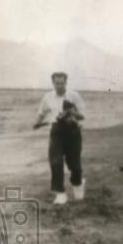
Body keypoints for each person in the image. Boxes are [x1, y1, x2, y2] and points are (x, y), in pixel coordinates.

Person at [33, 72, 86, 205]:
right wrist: (37, 122)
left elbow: (82, 116)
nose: (59, 86)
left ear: (66, 83)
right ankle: (60, 194)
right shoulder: (48, 97)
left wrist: (71, 112)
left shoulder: (74, 96)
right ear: (53, 83)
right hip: (56, 132)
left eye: (62, 83)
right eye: (57, 83)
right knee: (55, 162)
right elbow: (41, 113)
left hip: (73, 132)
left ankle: (78, 184)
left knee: (75, 166)